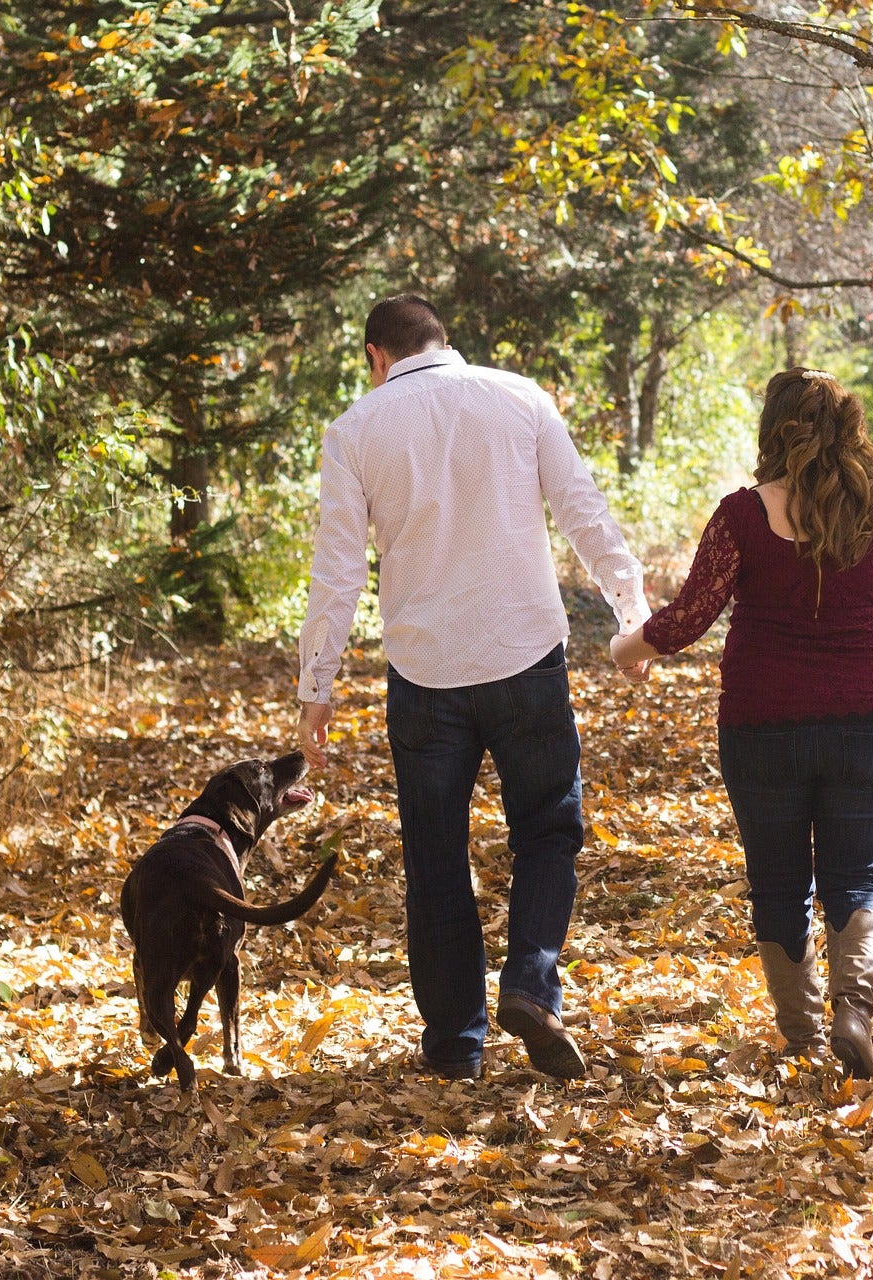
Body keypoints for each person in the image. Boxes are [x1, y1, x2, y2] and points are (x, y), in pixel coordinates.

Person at [296, 294, 649, 1081]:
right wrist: (634, 615)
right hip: (525, 656)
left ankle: (457, 1045)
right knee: (549, 830)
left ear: (373, 355)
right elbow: (583, 513)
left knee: (435, 858)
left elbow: (337, 570)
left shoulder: (354, 431)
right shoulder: (519, 397)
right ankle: (530, 980)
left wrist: (315, 684)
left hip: (425, 676)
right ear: (443, 340)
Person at [610, 369, 873, 1078]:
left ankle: (804, 1036)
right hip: (869, 723)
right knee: (857, 880)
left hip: (764, 725)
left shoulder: (743, 515)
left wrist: (624, 647)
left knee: (779, 883)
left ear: (773, 429)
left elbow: (690, 617)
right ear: (849, 429)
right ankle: (854, 1010)